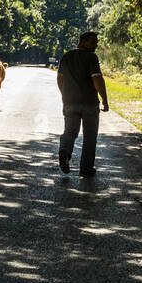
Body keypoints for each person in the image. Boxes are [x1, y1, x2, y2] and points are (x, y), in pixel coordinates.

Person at [56, 30, 109, 176]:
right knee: (90, 136)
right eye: (93, 42)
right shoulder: (91, 57)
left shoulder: (66, 56)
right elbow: (97, 79)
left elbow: (60, 79)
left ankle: (65, 151)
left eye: (96, 42)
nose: (95, 45)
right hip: (89, 103)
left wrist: (64, 95)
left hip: (70, 102)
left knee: (70, 132)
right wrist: (104, 100)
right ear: (83, 41)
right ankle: (86, 169)